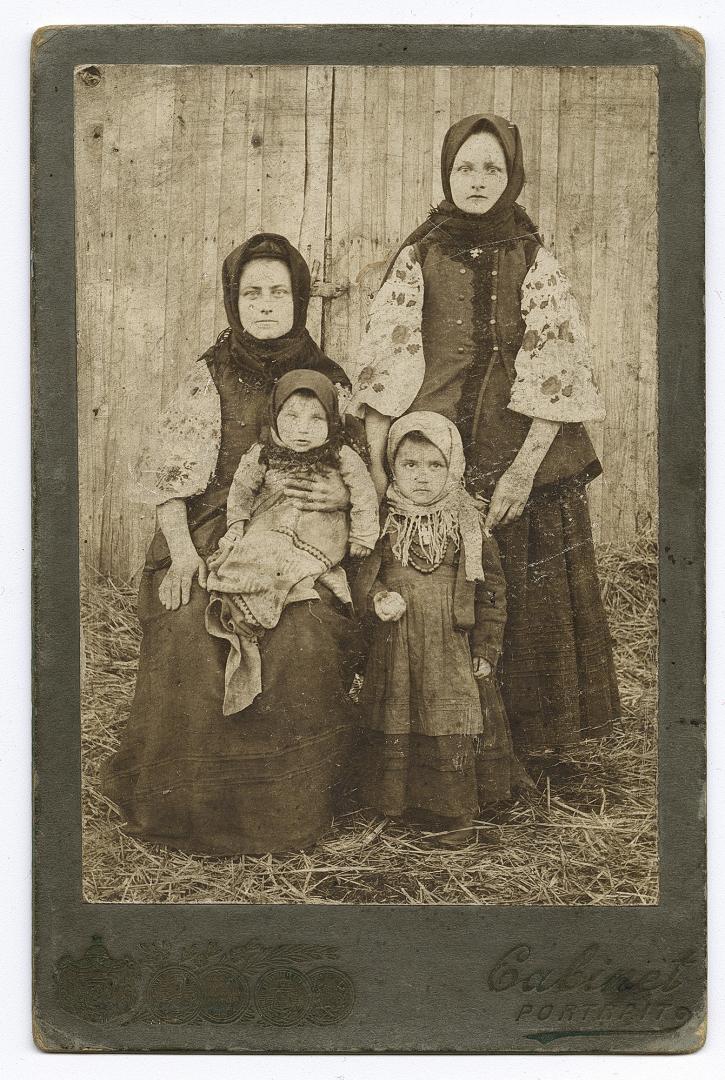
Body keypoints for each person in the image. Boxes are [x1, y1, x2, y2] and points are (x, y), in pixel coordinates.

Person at [346, 114, 620, 758]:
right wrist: (386, 476)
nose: (477, 181)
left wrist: (524, 469)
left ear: (512, 174)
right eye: (465, 167)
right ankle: (437, 746)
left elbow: (557, 370)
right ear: (446, 173)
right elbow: (385, 372)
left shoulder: (534, 256)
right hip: (435, 450)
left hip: (523, 449)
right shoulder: (419, 255)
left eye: (491, 168)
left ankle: (531, 744)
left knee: (524, 587)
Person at [102, 233, 365, 855]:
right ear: (233, 299)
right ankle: (185, 807)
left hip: (305, 543)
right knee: (191, 627)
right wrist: (185, 552)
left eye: (279, 292)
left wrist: (343, 500)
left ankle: (280, 815)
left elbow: (366, 473)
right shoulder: (209, 375)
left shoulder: (330, 380)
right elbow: (172, 480)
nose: (267, 305)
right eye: (253, 293)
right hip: (215, 531)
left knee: (301, 637)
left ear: (300, 299)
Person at [353, 412, 527, 848]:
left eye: (436, 466)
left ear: (454, 467)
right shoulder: (381, 521)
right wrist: (377, 598)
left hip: (451, 647)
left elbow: (492, 591)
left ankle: (457, 815)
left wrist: (486, 647)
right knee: (400, 716)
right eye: (410, 465)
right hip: (398, 648)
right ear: (392, 466)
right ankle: (401, 805)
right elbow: (361, 576)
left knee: (452, 718)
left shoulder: (468, 523)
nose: (424, 478)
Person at [205, 368, 379, 715]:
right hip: (272, 522)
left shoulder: (340, 453)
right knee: (249, 557)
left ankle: (291, 583)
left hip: (320, 529)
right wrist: (237, 526)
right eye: (293, 417)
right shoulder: (263, 452)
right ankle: (247, 614)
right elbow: (241, 489)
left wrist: (363, 533)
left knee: (303, 567)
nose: (303, 429)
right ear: (275, 417)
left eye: (317, 419)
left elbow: (363, 492)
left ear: (332, 422)